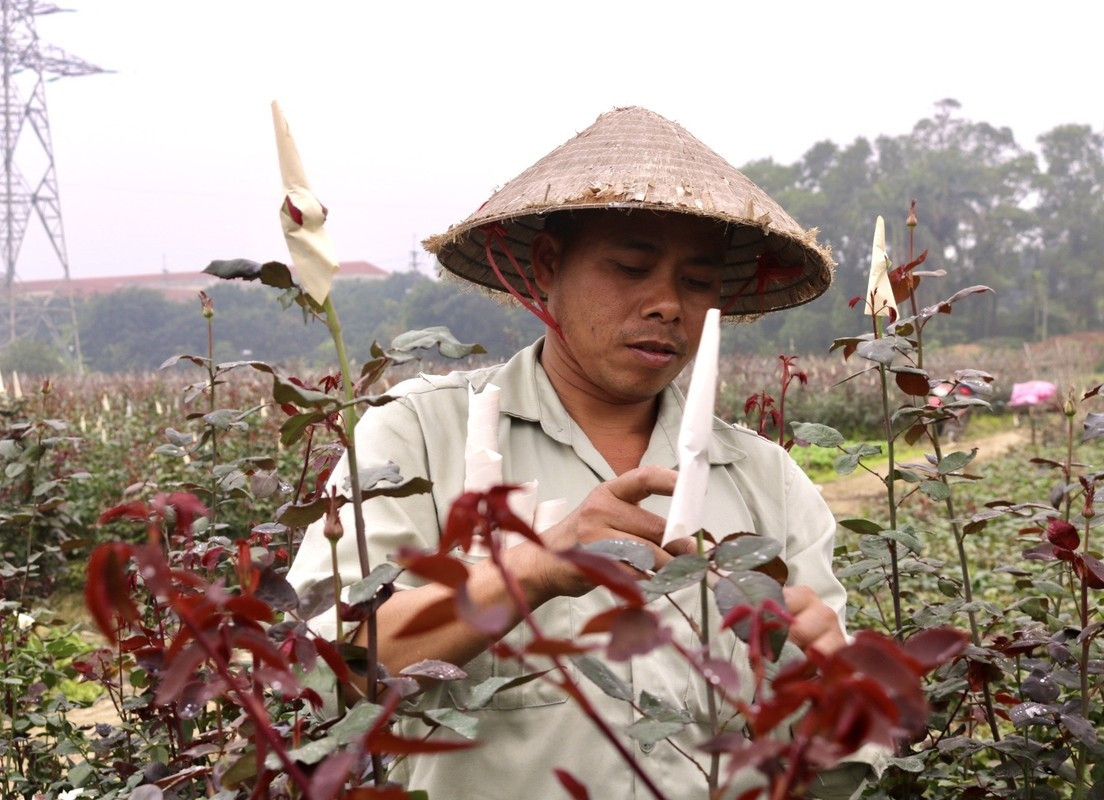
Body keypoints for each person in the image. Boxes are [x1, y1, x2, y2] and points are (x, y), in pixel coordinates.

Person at [287, 107, 871, 799]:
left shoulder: (763, 479)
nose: (666, 304)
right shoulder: (417, 436)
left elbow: (826, 759)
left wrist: (833, 687)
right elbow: (324, 666)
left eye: (696, 281)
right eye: (630, 266)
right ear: (546, 268)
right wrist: (530, 571)